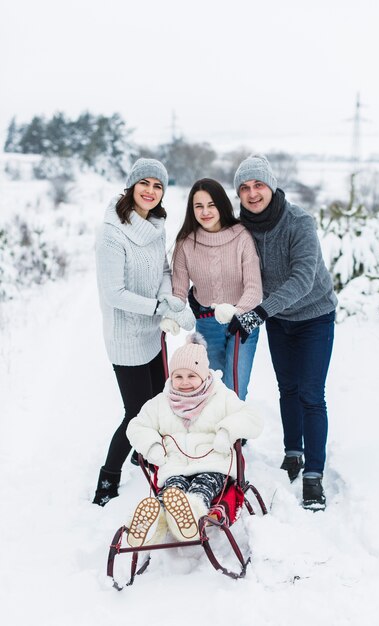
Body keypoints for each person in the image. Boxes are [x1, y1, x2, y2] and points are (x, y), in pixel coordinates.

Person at [228, 155, 338, 511]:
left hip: (314, 315)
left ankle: (314, 475)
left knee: (310, 392)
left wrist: (259, 313)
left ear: (271, 185)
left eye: (258, 184)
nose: (252, 193)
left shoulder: (299, 223)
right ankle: (294, 453)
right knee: (287, 388)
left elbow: (303, 280)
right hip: (277, 318)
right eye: (244, 188)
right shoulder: (241, 229)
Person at [93, 157, 194, 506]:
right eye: (144, 183)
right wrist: (156, 308)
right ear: (131, 186)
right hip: (126, 337)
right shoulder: (111, 233)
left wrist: (167, 299)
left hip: (153, 331)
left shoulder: (155, 225)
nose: (151, 191)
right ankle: (108, 478)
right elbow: (113, 293)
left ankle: (142, 452)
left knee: (156, 399)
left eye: (158, 186)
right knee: (135, 412)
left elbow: (164, 269)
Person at [125, 333, 262, 546]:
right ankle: (155, 522)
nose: (185, 382)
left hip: (213, 464)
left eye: (191, 376)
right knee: (172, 491)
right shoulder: (161, 402)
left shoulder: (221, 397)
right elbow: (136, 426)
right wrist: (152, 446)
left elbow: (252, 419)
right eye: (178, 376)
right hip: (175, 466)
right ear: (171, 377)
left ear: (204, 375)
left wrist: (227, 432)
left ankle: (191, 517)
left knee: (202, 487)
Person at [171, 178, 262, 400]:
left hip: (242, 321)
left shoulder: (242, 236)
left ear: (222, 205)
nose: (205, 212)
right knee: (207, 387)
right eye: (198, 206)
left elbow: (254, 288)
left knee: (235, 386)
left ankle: (235, 434)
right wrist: (172, 314)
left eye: (211, 205)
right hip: (207, 323)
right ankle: (210, 433)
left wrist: (236, 311)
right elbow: (178, 290)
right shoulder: (186, 244)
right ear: (192, 210)